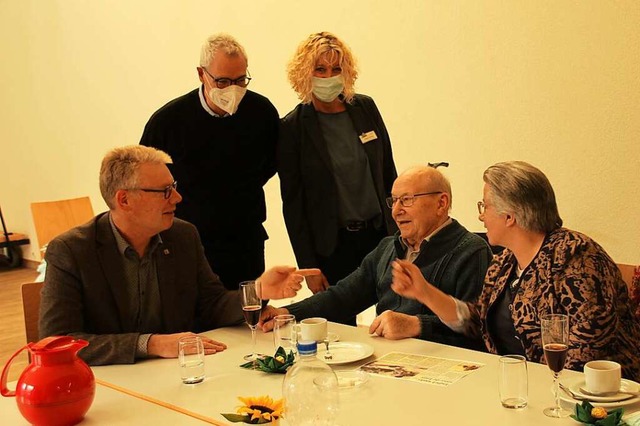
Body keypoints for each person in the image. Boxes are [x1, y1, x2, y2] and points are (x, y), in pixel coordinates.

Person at [39, 145, 315, 366]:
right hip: (107, 388)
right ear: (124, 200)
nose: (178, 198)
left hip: (178, 375)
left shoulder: (182, 236)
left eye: (174, 187)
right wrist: (151, 344)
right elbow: (57, 342)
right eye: (164, 192)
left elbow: (211, 305)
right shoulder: (71, 250)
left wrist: (258, 290)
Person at [391, 161, 640, 381]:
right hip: (519, 390)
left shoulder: (577, 258)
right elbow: (476, 322)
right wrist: (424, 292)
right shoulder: (504, 264)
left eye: (485, 206)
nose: (481, 217)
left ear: (509, 216)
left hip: (597, 401)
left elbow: (587, 353)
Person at [261, 166, 492, 350]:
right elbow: (343, 297)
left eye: (407, 200)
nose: (396, 211)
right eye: (394, 201)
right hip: (386, 361)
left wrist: (418, 326)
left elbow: (479, 331)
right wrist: (287, 313)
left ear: (441, 203)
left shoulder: (471, 252)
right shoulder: (387, 248)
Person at [140, 33, 278, 290]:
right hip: (187, 240)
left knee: (248, 316)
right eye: (223, 81)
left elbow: (269, 165)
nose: (232, 89)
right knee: (194, 319)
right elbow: (147, 180)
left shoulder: (262, 112)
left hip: (244, 239)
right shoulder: (168, 122)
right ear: (201, 74)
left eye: (240, 80)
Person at [278, 32, 398, 305]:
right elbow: (293, 204)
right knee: (342, 331)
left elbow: (388, 172)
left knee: (393, 317)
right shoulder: (293, 127)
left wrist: (402, 234)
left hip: (380, 237)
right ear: (305, 74)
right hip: (333, 246)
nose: (329, 76)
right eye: (320, 69)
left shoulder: (364, 107)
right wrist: (308, 265)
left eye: (336, 69)